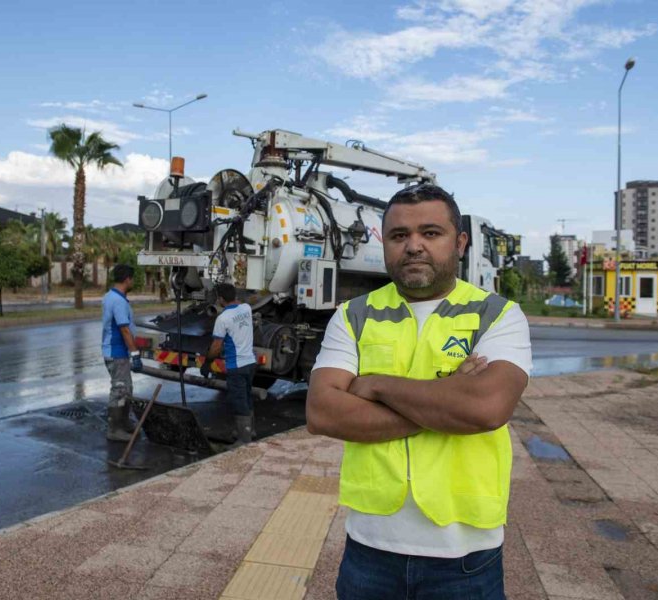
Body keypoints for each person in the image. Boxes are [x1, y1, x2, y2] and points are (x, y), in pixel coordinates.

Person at [307, 184, 532, 600]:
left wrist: (374, 385)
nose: (413, 246)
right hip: (370, 550)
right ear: (385, 243)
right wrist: (447, 398)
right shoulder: (353, 316)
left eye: (430, 233)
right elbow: (323, 413)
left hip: (465, 557)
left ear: (459, 242)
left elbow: (485, 409)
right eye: (399, 236)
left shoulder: (498, 315)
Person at [201, 282, 257, 444]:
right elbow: (242, 302)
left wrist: (207, 363)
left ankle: (244, 439)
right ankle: (250, 430)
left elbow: (216, 346)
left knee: (239, 402)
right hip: (250, 363)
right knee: (246, 397)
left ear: (220, 299)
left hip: (236, 366)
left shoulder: (223, 318)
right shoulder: (246, 309)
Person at [101, 264, 144, 442]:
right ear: (127, 279)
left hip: (117, 351)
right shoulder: (118, 301)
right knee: (119, 389)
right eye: (132, 278)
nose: (132, 281)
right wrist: (135, 354)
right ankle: (115, 428)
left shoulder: (111, 296)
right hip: (117, 351)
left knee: (126, 388)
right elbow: (124, 330)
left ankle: (124, 423)